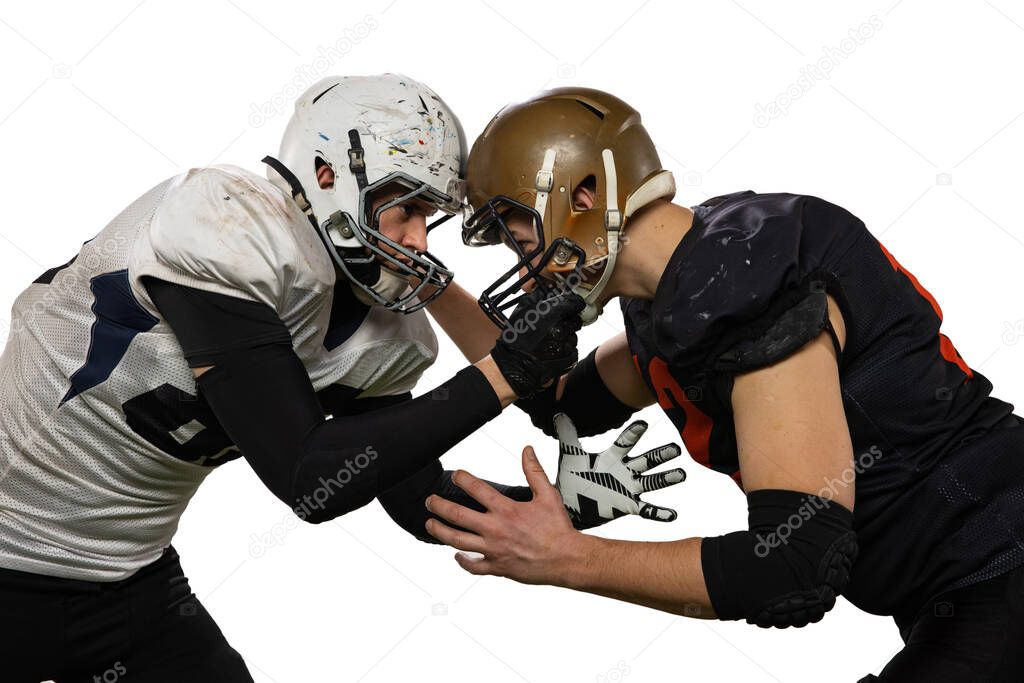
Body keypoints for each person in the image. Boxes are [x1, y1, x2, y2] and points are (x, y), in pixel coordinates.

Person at [0, 74, 592, 682]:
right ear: (327, 173)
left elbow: (420, 501)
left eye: (430, 216)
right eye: (406, 207)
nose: (418, 239)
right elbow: (308, 476)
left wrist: (567, 508)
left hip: (129, 585)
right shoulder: (229, 219)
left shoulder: (385, 335)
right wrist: (502, 376)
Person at [424, 86, 1024, 682]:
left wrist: (566, 556)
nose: (525, 269)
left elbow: (796, 566)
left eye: (522, 239)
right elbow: (552, 398)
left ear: (585, 196)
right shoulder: (680, 286)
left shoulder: (738, 289)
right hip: (966, 586)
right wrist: (426, 283)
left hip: (999, 560)